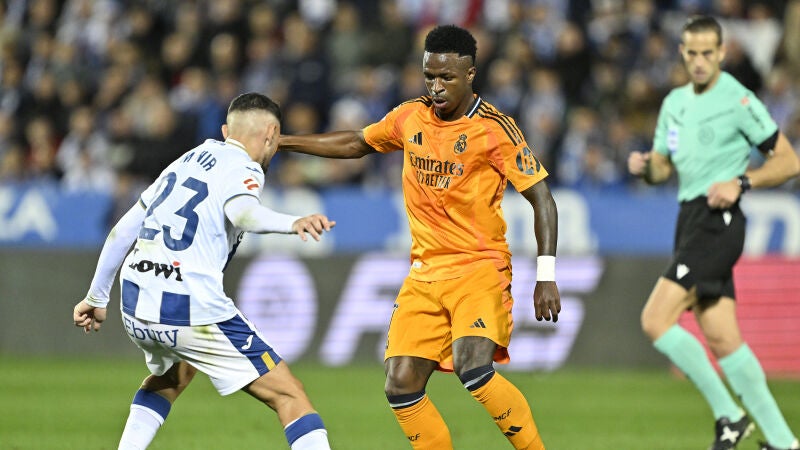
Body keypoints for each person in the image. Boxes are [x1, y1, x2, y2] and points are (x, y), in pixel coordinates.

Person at [280, 24, 561, 450]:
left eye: (447, 77)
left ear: (470, 74)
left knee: (473, 367)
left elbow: (543, 199)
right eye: (429, 76)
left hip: (479, 269)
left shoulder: (494, 128)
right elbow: (357, 142)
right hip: (425, 273)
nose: (436, 87)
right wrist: (283, 142)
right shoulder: (410, 116)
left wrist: (546, 275)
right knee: (400, 382)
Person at [72, 93, 335, 450]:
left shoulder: (187, 159)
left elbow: (122, 230)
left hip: (135, 302)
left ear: (226, 131)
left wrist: (96, 297)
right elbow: (243, 213)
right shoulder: (245, 167)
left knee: (174, 373)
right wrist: (293, 223)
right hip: (188, 304)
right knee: (290, 395)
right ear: (272, 135)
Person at [628, 15, 799, 450]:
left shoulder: (738, 100)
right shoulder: (674, 103)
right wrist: (647, 167)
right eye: (693, 53)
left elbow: (788, 161)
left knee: (654, 319)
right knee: (723, 338)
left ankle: (729, 415)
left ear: (722, 53)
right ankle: (783, 443)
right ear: (682, 53)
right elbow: (662, 166)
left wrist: (742, 182)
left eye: (708, 53)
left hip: (719, 221)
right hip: (689, 220)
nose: (700, 61)